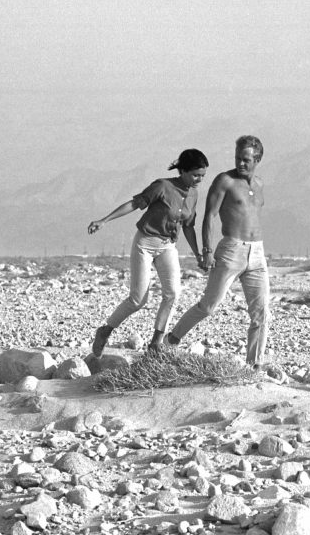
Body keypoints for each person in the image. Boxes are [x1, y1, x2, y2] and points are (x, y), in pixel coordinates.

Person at [87, 149, 209, 356]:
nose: (198, 180)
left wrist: (198, 254)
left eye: (202, 176)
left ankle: (156, 343)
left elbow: (188, 226)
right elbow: (135, 204)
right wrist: (104, 220)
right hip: (145, 243)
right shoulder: (162, 186)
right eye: (195, 175)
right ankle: (105, 330)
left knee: (173, 293)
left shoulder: (194, 194)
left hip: (167, 245)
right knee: (138, 300)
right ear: (183, 171)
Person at [164, 135, 270, 368]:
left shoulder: (260, 184)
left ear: (257, 159)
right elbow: (209, 216)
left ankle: (255, 367)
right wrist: (207, 251)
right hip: (232, 249)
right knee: (209, 306)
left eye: (246, 159)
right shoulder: (225, 181)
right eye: (238, 158)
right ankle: (171, 340)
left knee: (261, 312)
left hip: (258, 252)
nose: (241, 163)